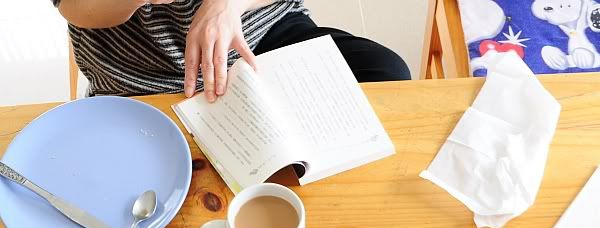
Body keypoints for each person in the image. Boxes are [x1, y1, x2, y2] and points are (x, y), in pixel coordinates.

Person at [52, 0, 411, 101]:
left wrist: (227, 4)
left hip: (262, 32)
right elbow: (76, 8)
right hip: (135, 74)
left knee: (386, 77)